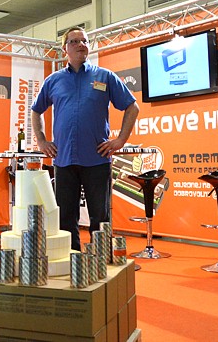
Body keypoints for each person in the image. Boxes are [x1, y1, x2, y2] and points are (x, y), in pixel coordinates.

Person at [31, 27, 139, 251]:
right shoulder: (54, 80)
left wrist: (120, 140)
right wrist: (41, 141)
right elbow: (36, 110)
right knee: (65, 218)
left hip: (97, 160)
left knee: (100, 218)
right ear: (65, 49)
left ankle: (102, 260)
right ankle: (72, 259)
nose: (81, 44)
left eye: (85, 41)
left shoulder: (105, 77)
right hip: (64, 160)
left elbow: (132, 107)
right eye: (74, 41)